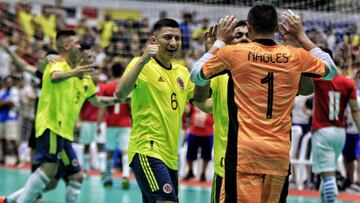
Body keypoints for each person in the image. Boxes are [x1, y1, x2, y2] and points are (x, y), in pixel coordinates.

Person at [190, 5, 337, 202]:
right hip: (278, 155)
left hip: (245, 153)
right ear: (277, 27)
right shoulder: (295, 55)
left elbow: (196, 75)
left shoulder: (234, 53)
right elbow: (331, 70)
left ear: (249, 28)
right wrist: (301, 36)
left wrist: (220, 41)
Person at [6, 30, 122, 203]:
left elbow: (96, 100)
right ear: (71, 48)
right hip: (51, 125)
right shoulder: (58, 63)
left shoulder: (85, 79)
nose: (92, 60)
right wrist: (71, 71)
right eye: (86, 53)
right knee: (47, 170)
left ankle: (10, 200)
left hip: (65, 133)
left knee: (74, 176)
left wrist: (121, 99)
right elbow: (53, 76)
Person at [115, 18, 194, 203]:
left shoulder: (183, 71)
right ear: (153, 41)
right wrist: (142, 59)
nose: (173, 43)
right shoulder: (141, 64)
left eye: (177, 38)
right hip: (147, 149)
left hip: (171, 155)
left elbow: (205, 105)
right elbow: (120, 93)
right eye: (167, 37)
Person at [311, 49, 360, 202]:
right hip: (340, 132)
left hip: (322, 130)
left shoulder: (317, 80)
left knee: (328, 175)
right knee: (327, 173)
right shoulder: (348, 82)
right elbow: (355, 110)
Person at [99, 63, 132, 189]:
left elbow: (103, 106)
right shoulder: (126, 85)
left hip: (110, 123)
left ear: (111, 72)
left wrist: (98, 123)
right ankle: (125, 175)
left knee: (109, 151)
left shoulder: (107, 86)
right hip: (124, 123)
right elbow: (130, 105)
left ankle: (107, 177)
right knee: (125, 151)